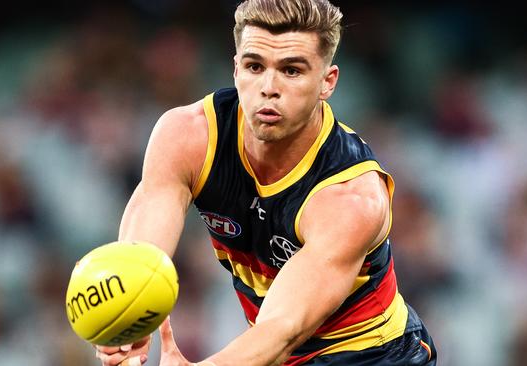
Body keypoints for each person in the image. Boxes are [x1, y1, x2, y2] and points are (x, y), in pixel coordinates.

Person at [95, 0, 437, 365]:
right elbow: (139, 263)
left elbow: (282, 328)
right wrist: (127, 326)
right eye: (255, 66)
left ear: (327, 82)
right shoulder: (187, 137)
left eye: (291, 71)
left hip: (372, 355)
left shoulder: (351, 198)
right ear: (236, 68)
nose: (268, 87)